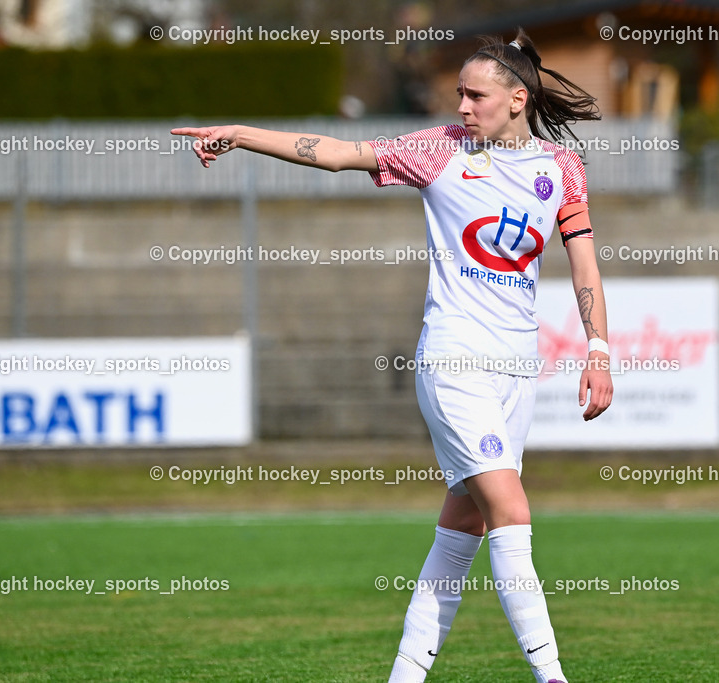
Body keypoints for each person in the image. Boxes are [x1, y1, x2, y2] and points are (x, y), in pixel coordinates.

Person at [171, 27, 612, 682]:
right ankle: (553, 676)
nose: (461, 107)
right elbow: (335, 152)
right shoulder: (439, 150)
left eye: (475, 96)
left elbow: (586, 268)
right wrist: (240, 133)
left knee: (464, 526)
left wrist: (598, 348)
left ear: (517, 99)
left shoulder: (563, 170)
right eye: (459, 94)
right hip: (454, 361)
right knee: (511, 511)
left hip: (518, 368)